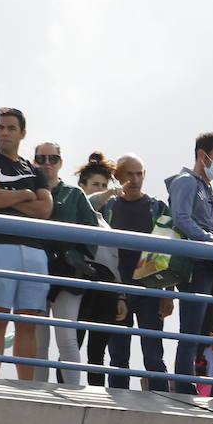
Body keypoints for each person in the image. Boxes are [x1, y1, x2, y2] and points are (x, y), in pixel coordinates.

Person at [0, 108, 54, 380]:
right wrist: (26, 195)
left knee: (27, 323)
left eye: (11, 128)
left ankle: (25, 387)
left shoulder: (35, 171)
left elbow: (45, 210)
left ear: (22, 133)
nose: (5, 132)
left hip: (33, 251)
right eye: (1, 127)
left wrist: (6, 196)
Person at [165, 132, 213, 396]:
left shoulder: (207, 187)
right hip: (195, 266)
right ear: (202, 155)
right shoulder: (186, 182)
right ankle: (184, 391)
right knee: (192, 332)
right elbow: (182, 219)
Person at [32, 141, 101, 384]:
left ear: (60, 162)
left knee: (67, 339)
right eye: (41, 158)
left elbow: (94, 233)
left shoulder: (75, 194)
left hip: (68, 273)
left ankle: (72, 394)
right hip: (36, 271)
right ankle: (35, 394)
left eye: (52, 158)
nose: (47, 163)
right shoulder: (27, 192)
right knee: (37, 341)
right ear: (34, 161)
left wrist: (72, 251)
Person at [102, 153, 172, 390]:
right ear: (117, 177)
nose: (135, 179)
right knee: (118, 358)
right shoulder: (108, 207)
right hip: (118, 289)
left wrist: (168, 292)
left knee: (154, 356)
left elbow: (169, 253)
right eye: (129, 174)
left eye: (139, 173)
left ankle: (162, 402)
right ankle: (118, 405)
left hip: (150, 289)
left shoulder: (157, 208)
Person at [72, 152, 132, 388]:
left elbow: (113, 259)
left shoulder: (104, 220)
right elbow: (89, 202)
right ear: (81, 187)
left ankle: (95, 395)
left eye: (103, 185)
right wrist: (110, 192)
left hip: (106, 286)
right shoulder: (74, 208)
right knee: (72, 343)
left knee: (97, 353)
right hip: (81, 279)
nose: (100, 190)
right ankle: (67, 391)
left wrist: (120, 295)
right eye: (95, 185)